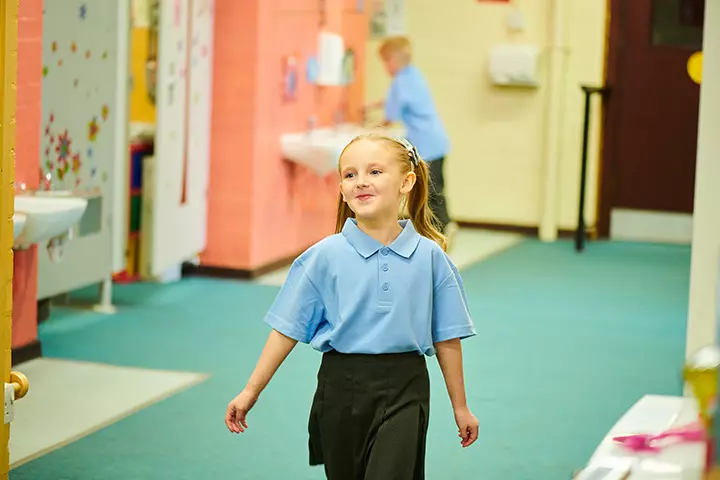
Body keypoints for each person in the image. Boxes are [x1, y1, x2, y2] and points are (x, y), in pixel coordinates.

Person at [225, 134, 479, 480]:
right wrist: (251, 390)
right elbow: (287, 327)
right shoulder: (323, 257)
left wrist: (460, 407)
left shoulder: (431, 258)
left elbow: (447, 337)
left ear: (407, 182)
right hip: (340, 388)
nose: (360, 181)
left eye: (374, 172)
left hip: (406, 386)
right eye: (349, 174)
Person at [365, 35, 458, 245]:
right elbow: (397, 100)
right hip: (437, 141)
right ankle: (443, 227)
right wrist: (374, 105)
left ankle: (442, 230)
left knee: (430, 191)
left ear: (392, 61)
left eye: (385, 62)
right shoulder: (414, 75)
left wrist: (369, 130)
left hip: (426, 145)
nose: (385, 68)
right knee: (436, 188)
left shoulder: (400, 81)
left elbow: (390, 116)